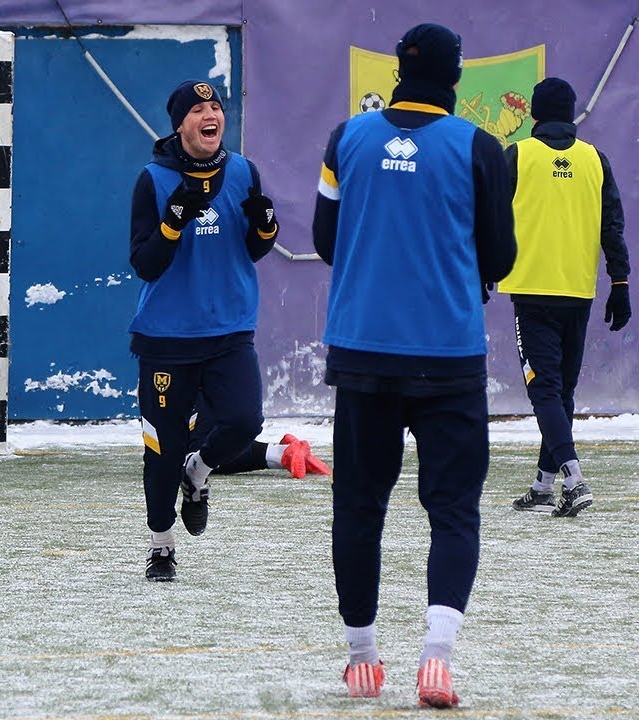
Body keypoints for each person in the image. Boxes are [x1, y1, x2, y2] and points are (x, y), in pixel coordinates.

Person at [312, 24, 516, 708]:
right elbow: (501, 256)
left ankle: (363, 659)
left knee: (359, 507)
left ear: (398, 72)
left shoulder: (347, 139)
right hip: (449, 355)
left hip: (364, 352)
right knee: (453, 510)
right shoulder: (481, 147)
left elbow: (322, 237)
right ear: (455, 77)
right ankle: (437, 659)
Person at [128, 79, 282, 583]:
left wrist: (266, 228)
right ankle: (161, 546)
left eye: (215, 106)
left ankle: (200, 472)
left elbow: (253, 249)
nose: (210, 114)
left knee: (243, 421)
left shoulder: (243, 171)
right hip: (167, 339)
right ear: (180, 124)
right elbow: (146, 264)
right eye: (198, 109)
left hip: (230, 330)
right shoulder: (152, 180)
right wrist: (172, 222)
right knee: (162, 450)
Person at [500, 77, 628, 518]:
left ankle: (574, 480)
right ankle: (543, 487)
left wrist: (481, 270)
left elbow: (488, 218)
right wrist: (621, 284)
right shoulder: (595, 159)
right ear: (572, 113)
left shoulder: (517, 155)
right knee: (562, 392)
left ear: (534, 115)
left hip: (532, 291)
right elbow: (612, 225)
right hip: (579, 292)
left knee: (545, 392)